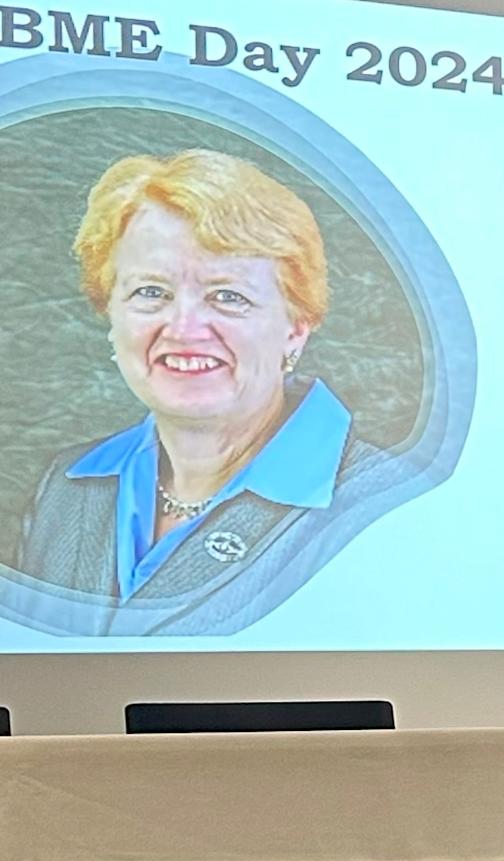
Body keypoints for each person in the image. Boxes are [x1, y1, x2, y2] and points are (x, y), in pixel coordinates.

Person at [14, 149, 392, 630]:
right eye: (151, 292)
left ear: (296, 327)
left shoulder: (385, 504)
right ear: (110, 312)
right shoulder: (64, 487)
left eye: (228, 296)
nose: (184, 329)